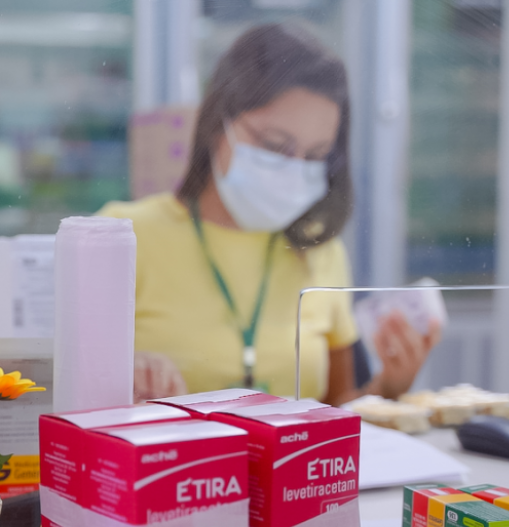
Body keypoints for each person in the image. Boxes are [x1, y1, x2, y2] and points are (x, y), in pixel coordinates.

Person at [100, 23, 440, 405]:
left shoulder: (318, 247)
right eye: (276, 145)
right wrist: (121, 375)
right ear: (218, 123)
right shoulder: (119, 236)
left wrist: (388, 388)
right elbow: (63, 387)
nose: (294, 170)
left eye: (315, 156)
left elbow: (336, 407)